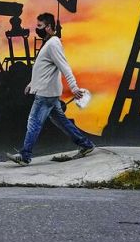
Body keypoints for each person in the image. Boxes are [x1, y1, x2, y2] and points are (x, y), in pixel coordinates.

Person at [6, 13, 94, 165]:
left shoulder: (53, 44)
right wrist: (32, 84)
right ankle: (86, 145)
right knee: (62, 121)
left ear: (48, 27)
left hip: (45, 94)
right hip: (49, 93)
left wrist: (73, 87)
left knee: (33, 122)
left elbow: (64, 66)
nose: (37, 28)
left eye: (39, 26)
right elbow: (43, 69)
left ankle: (25, 156)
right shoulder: (49, 43)